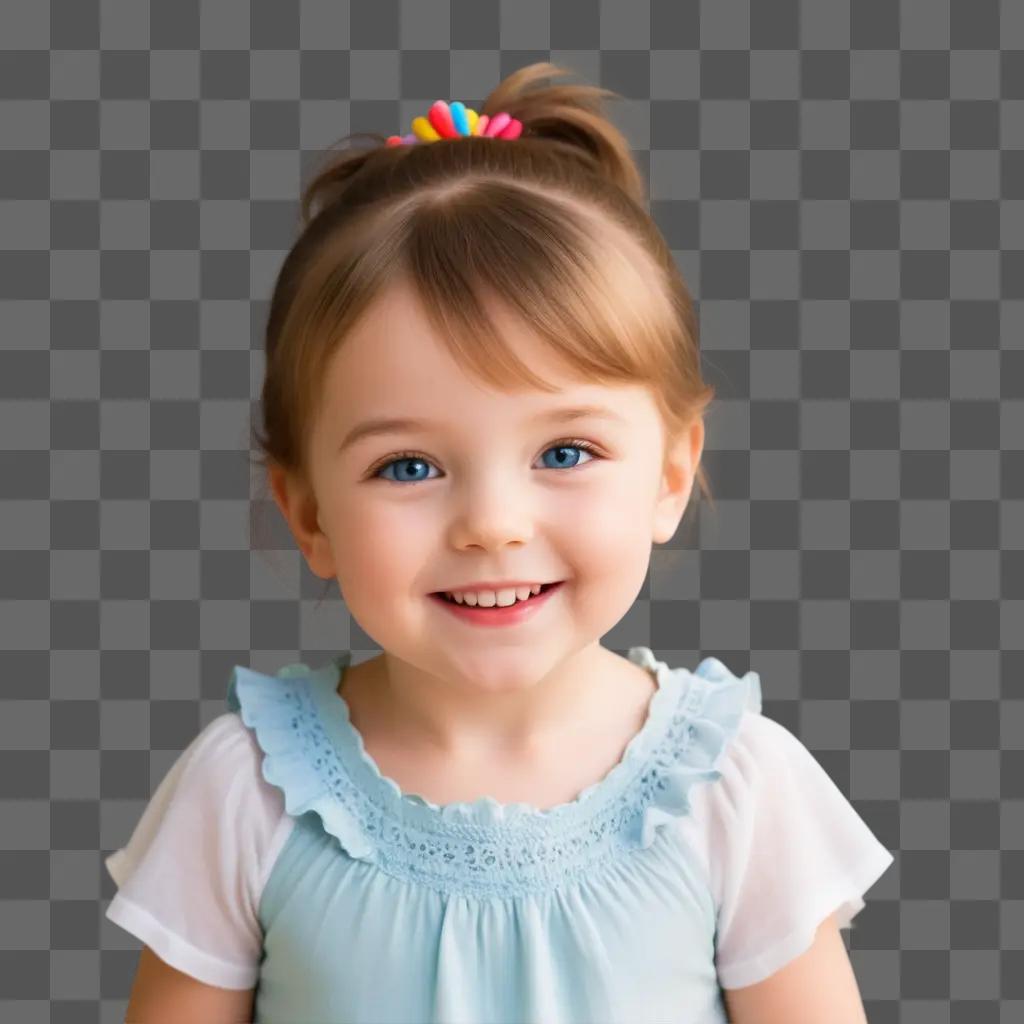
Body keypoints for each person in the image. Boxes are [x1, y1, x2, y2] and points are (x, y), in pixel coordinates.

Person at [103, 62, 894, 1024]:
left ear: (671, 475)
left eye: (565, 450)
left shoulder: (735, 791)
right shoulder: (246, 794)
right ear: (308, 514)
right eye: (408, 466)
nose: (492, 523)